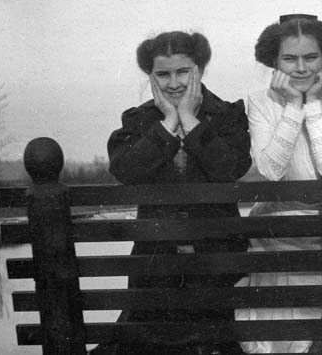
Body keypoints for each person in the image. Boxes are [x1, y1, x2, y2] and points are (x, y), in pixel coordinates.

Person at [98, 31, 251, 355]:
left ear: (199, 70)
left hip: (218, 263)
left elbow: (230, 169)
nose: (174, 83)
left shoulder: (227, 115)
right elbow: (126, 171)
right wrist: (168, 123)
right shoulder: (139, 120)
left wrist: (191, 122)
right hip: (157, 265)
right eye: (162, 74)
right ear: (151, 77)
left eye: (183, 72)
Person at [235, 14, 322, 354]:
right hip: (275, 232)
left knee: (315, 332)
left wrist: (313, 106)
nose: (301, 68)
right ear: (275, 62)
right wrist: (293, 107)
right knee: (270, 332)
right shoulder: (258, 100)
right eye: (290, 58)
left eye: (310, 58)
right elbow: (270, 168)